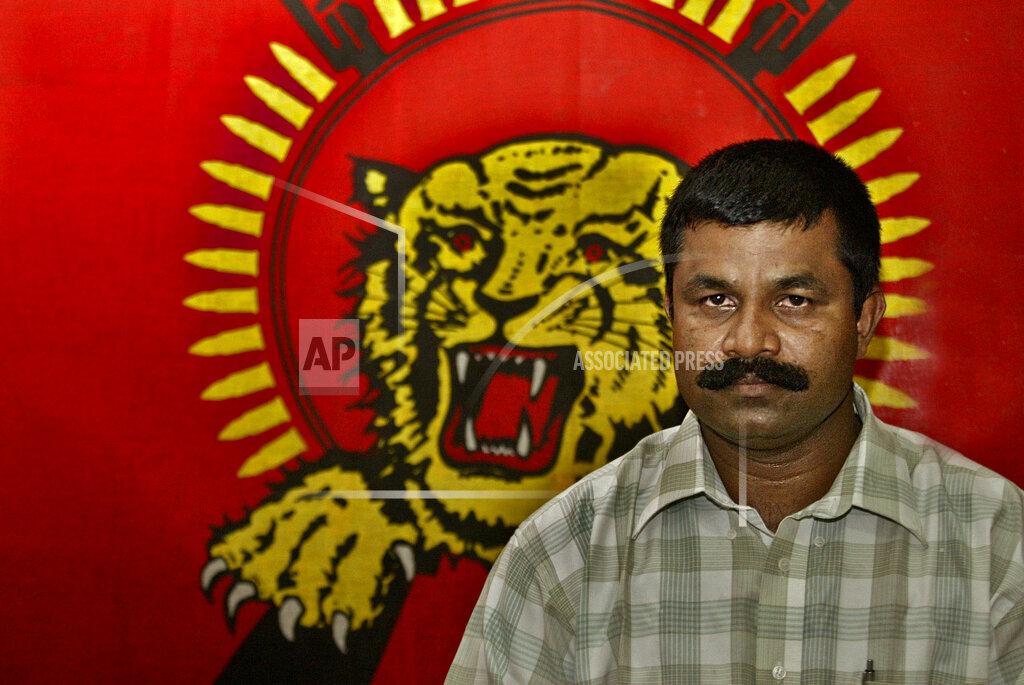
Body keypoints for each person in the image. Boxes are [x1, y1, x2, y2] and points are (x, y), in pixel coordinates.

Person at [445, 139, 1024, 684]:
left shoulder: (996, 543)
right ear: (670, 314)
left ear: (864, 320)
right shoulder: (564, 552)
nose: (749, 342)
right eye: (715, 300)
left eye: (795, 301)